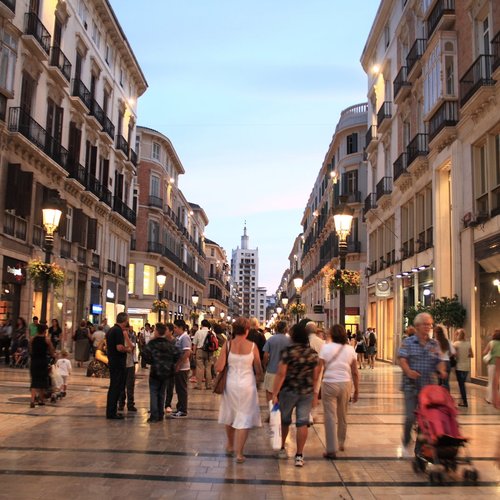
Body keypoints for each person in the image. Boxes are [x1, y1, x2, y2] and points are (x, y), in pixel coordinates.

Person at [272, 321, 320, 467]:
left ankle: (282, 449)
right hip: (306, 392)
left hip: (288, 391)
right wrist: (315, 394)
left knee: (285, 420)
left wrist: (275, 393)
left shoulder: (288, 352)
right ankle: (299, 455)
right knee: (302, 422)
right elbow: (316, 376)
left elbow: (281, 374)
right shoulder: (312, 354)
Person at [398, 313, 447, 456]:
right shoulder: (408, 342)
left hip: (429, 387)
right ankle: (406, 440)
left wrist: (442, 370)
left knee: (425, 419)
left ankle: (419, 449)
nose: (428, 327)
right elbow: (402, 359)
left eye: (430, 324)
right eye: (425, 324)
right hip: (411, 386)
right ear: (417, 326)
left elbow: (440, 361)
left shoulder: (435, 344)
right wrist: (408, 371)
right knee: (410, 417)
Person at [216, 317, 262, 464]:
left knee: (230, 414)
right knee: (244, 417)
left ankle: (230, 445)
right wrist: (259, 379)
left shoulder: (228, 345)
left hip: (231, 384)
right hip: (247, 385)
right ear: (247, 330)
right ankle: (240, 453)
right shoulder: (253, 346)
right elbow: (258, 368)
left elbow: (218, 367)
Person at [319, 324, 359, 458]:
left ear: (331, 334)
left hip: (329, 383)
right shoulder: (350, 349)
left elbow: (319, 369)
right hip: (345, 383)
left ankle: (331, 449)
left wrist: (316, 387)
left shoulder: (325, 348)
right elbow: (355, 371)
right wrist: (357, 390)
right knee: (342, 414)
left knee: (330, 416)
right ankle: (341, 442)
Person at [142, 323, 179, 422]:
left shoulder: (152, 343)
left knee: (154, 392)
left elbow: (144, 354)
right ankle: (160, 414)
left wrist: (152, 361)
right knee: (162, 393)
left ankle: (154, 415)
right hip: (166, 372)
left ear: (157, 332)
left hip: (155, 371)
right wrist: (170, 363)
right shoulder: (169, 344)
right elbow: (177, 354)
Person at [105, 313, 133, 419]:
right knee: (116, 387)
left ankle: (112, 411)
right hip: (117, 363)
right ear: (125, 321)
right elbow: (119, 347)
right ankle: (111, 413)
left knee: (114, 387)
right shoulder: (117, 331)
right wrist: (128, 349)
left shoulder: (111, 330)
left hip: (113, 361)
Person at [262, 321, 290, 405]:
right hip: (285, 373)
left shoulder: (271, 339)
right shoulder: (289, 341)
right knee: (283, 395)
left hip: (271, 370)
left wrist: (265, 365)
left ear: (276, 329)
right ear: (286, 329)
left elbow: (265, 355)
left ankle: (272, 414)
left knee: (270, 394)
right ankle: (280, 413)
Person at [29, 323, 55, 407]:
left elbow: (30, 350)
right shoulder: (47, 340)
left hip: (34, 361)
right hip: (43, 361)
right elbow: (52, 351)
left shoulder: (32, 339)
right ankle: (41, 400)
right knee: (43, 380)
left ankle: (32, 401)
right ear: (45, 331)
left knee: (34, 380)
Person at [170, 319, 191, 418]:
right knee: (178, 389)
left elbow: (187, 352)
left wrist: (179, 364)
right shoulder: (179, 337)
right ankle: (179, 408)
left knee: (182, 389)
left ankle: (183, 410)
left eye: (175, 327)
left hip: (183, 368)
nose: (174, 329)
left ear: (181, 328)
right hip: (179, 367)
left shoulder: (185, 337)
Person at [118, 324, 138, 412]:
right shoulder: (118, 340)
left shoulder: (131, 339)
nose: (124, 331)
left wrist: (126, 338)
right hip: (121, 365)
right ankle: (121, 404)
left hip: (130, 365)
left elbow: (132, 348)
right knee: (121, 386)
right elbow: (120, 349)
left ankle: (130, 404)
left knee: (130, 386)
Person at [452, 328, 473, 408]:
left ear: (458, 335)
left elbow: (453, 354)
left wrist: (459, 355)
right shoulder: (468, 344)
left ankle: (464, 401)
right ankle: (462, 400)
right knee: (462, 384)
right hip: (466, 367)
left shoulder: (456, 344)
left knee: (461, 385)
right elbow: (472, 355)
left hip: (459, 367)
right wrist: (465, 355)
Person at [192, 319, 214, 390]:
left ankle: (199, 385)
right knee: (208, 368)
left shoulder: (198, 332)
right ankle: (209, 385)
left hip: (200, 350)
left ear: (202, 325)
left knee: (199, 368)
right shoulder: (212, 333)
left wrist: (194, 353)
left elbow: (195, 344)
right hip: (209, 352)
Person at [433, 325, 455, 391]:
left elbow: (433, 354)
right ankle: (447, 398)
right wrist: (447, 356)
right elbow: (453, 352)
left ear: (436, 333)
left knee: (439, 382)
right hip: (447, 363)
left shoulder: (435, 342)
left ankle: (440, 398)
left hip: (438, 363)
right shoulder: (448, 341)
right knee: (446, 382)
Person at [162, 323, 177, 414]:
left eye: (166, 330)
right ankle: (159, 404)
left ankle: (168, 404)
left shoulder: (175, 341)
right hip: (161, 367)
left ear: (171, 331)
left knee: (170, 386)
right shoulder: (161, 340)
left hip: (171, 366)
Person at [483, 329, 500, 404]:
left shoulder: (491, 343)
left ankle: (489, 399)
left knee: (491, 381)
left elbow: (485, 352)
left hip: (492, 364)